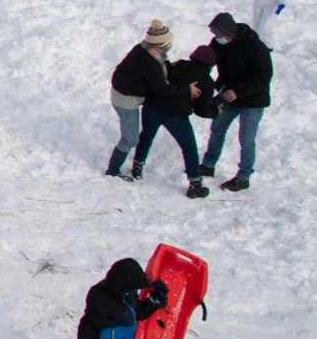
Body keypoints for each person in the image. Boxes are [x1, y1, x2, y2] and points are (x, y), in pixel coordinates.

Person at [127, 28, 212, 198]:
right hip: (176, 115)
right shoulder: (206, 82)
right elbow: (202, 110)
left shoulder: (177, 64)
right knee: (188, 147)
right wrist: (217, 109)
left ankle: (137, 165)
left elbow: (162, 72)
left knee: (147, 135)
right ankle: (195, 184)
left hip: (152, 107)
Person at [198, 11, 272, 191]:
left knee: (246, 139)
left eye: (219, 34)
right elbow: (207, 61)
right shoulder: (218, 43)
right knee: (217, 129)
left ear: (229, 33)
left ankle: (244, 177)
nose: (216, 38)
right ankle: (208, 165)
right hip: (228, 96)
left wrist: (238, 92)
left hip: (253, 101)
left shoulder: (256, 47)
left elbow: (264, 77)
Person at [104, 20, 177, 179]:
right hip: (125, 101)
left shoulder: (144, 50)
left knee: (130, 137)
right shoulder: (149, 61)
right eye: (168, 43)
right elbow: (161, 88)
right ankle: (113, 170)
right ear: (161, 44)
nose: (170, 45)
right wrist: (184, 89)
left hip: (124, 94)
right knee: (129, 139)